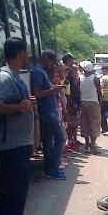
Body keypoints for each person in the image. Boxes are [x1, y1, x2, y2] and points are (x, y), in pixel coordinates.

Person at [0, 37, 37, 215]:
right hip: (10, 144)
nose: (27, 57)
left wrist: (25, 103)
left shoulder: (13, 76)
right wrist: (19, 107)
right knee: (11, 189)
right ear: (20, 53)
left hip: (19, 142)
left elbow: (16, 103)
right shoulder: (4, 77)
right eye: (25, 53)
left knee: (20, 187)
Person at [31, 50, 67, 180]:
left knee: (48, 141)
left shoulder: (40, 72)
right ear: (45, 58)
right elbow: (38, 93)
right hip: (47, 112)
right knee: (60, 138)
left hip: (48, 111)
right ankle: (53, 168)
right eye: (52, 62)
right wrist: (54, 89)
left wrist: (53, 87)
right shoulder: (38, 72)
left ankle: (49, 169)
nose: (52, 65)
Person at [79, 61, 102, 154]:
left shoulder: (79, 78)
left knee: (85, 124)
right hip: (93, 103)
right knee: (95, 124)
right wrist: (100, 104)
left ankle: (87, 145)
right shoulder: (95, 79)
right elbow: (99, 93)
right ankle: (93, 146)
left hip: (83, 103)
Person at [62, 53, 81, 151]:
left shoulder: (71, 70)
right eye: (71, 60)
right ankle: (69, 141)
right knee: (69, 123)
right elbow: (67, 89)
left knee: (74, 122)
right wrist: (68, 103)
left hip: (74, 100)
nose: (72, 62)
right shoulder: (65, 72)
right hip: (69, 100)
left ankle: (73, 140)